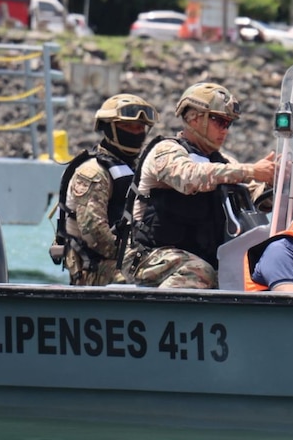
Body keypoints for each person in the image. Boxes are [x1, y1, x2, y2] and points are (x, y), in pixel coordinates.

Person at [123, 82, 275, 289]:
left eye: (228, 124)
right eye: (219, 121)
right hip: (148, 255)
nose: (225, 130)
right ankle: (163, 318)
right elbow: (189, 178)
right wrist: (250, 171)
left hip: (199, 256)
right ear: (194, 117)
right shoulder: (165, 151)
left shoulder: (222, 161)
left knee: (252, 273)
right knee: (197, 272)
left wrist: (274, 180)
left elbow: (253, 199)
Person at [51, 94, 156, 286]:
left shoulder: (135, 168)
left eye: (140, 127)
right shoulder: (93, 172)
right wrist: (142, 254)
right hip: (94, 268)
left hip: (125, 258)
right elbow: (95, 236)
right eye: (128, 127)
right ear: (109, 128)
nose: (136, 132)